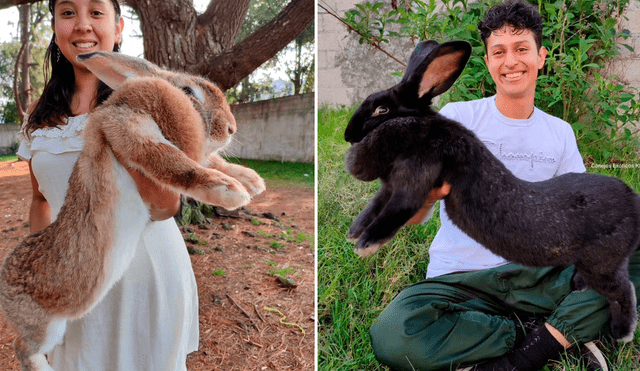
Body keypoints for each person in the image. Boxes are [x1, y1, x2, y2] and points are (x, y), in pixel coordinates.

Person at [368, 1, 640, 371]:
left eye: (521, 49)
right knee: (393, 334)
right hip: (463, 282)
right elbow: (413, 216)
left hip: (539, 276)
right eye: (499, 52)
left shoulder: (560, 133)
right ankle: (549, 333)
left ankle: (535, 347)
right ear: (488, 60)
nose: (511, 61)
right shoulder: (457, 117)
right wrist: (426, 194)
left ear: (541, 57)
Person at [16, 0, 199, 369]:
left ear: (118, 29)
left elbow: (166, 208)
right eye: (68, 13)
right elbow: (41, 199)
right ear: (55, 27)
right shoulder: (39, 116)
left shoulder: (148, 102)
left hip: (143, 273)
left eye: (96, 12)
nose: (82, 25)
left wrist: (123, 134)